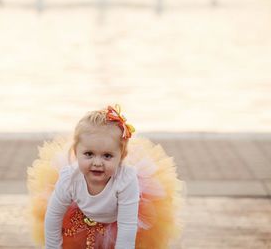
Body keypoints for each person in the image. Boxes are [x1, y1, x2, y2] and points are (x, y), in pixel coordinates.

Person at [27, 105, 184, 249]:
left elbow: (127, 227)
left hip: (117, 220)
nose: (97, 163)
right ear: (76, 152)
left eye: (107, 156)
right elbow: (54, 217)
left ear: (121, 156)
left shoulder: (126, 180)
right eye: (89, 154)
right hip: (80, 216)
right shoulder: (70, 178)